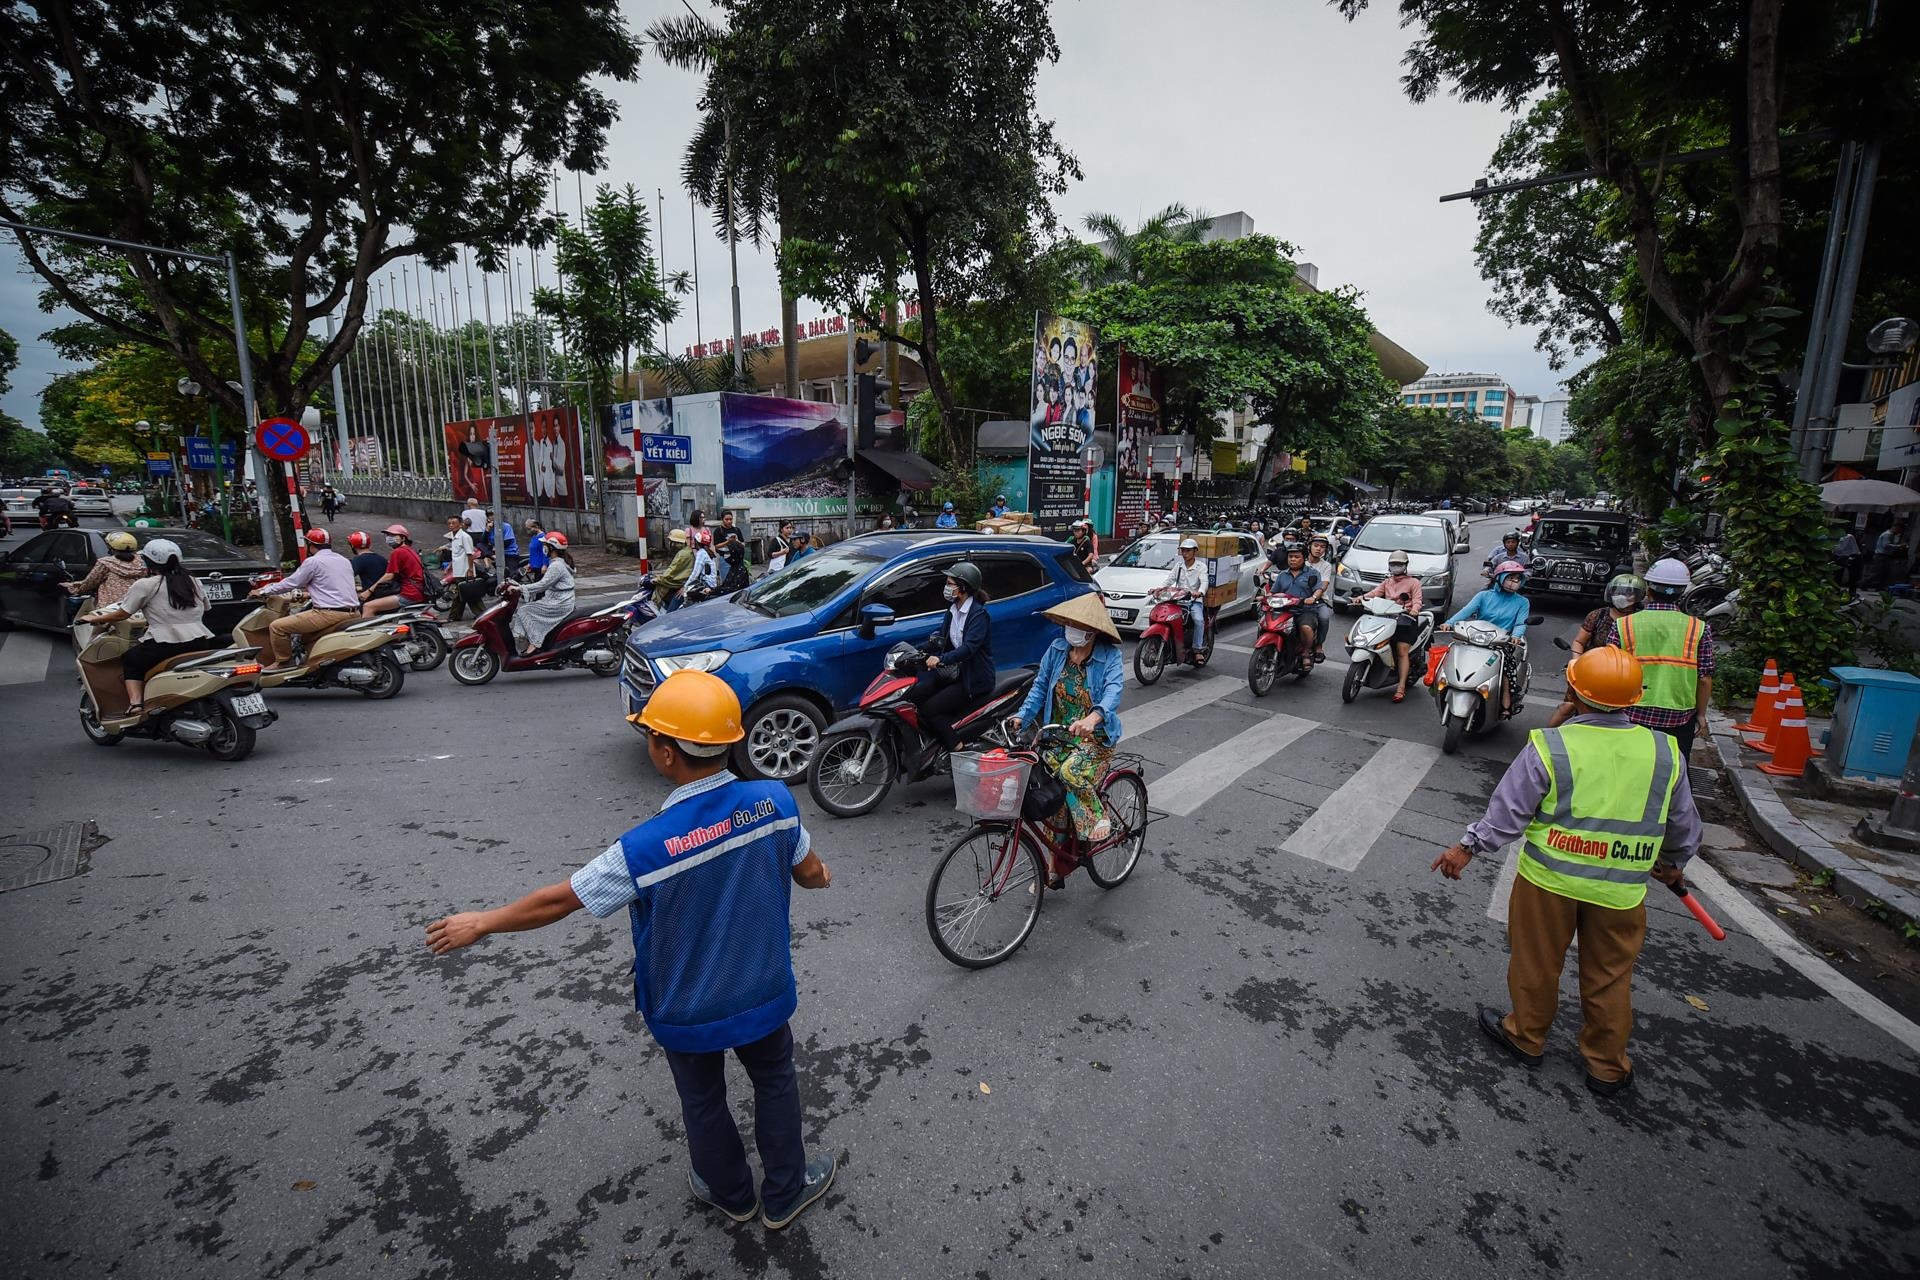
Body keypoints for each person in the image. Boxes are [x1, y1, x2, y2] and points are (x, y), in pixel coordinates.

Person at [425, 669, 838, 1231]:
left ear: (667, 752)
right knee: (775, 1080)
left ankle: (733, 1195)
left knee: (703, 1100)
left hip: (685, 1006)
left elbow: (558, 901)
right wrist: (819, 877)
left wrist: (484, 922)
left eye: (650, 736)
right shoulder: (775, 802)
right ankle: (786, 1194)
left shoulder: (643, 849)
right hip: (762, 987)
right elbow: (810, 872)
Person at [1431, 646, 1701, 1099]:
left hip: (1549, 882)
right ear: (1635, 699)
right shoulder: (1664, 751)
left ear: (1574, 690)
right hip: (1621, 891)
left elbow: (1508, 813)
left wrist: (1467, 847)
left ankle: (1526, 1035)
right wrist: (1673, 866)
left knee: (1536, 963)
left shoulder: (1552, 744)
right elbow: (1683, 826)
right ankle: (1607, 1067)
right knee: (1610, 976)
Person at [1011, 593, 1126, 881]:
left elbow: (1113, 692)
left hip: (1095, 740)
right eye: (1068, 623)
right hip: (1058, 736)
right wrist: (1021, 717)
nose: (1070, 628)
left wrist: (1093, 718)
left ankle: (1097, 816)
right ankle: (1053, 869)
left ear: (1092, 630)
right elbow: (1039, 688)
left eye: (1077, 624)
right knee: (1049, 797)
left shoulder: (1109, 657)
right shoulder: (1057, 649)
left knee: (1070, 771)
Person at [76, 538, 214, 717]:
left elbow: (122, 614)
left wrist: (96, 618)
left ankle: (135, 705)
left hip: (165, 643)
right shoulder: (193, 581)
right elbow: (206, 607)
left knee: (131, 660)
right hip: (200, 640)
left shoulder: (146, 584)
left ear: (148, 561)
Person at [1614, 558, 1714, 761]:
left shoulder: (1624, 625)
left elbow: (1610, 667)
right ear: (1682, 593)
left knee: (1627, 765)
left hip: (1631, 709)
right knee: (1674, 768)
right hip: (1679, 714)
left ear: (1648, 592)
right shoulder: (1699, 628)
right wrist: (1701, 715)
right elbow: (1704, 678)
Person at [904, 562, 993, 759]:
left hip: (972, 679)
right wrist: (916, 653)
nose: (947, 587)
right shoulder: (953, 610)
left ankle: (959, 751)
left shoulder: (978, 615)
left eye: (950, 583)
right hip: (951, 673)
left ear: (963, 587)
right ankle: (932, 740)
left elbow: (969, 648)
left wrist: (941, 659)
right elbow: (942, 639)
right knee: (912, 697)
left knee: (931, 710)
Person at [252, 528, 364, 669]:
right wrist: (308, 594)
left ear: (310, 545)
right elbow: (331, 586)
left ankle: (284, 662)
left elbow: (291, 583)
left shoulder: (313, 562)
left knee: (277, 627)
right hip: (354, 612)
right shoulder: (344, 560)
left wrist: (263, 590)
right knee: (305, 638)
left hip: (328, 614)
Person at [1547, 574, 1645, 729]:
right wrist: (1576, 661)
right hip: (1590, 671)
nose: (1622, 597)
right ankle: (1546, 737)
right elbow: (1579, 642)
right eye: (1618, 592)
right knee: (1567, 707)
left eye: (1628, 593)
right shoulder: (1598, 615)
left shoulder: (1639, 620)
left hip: (1621, 677)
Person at [1444, 560, 1532, 713]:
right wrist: (1450, 622)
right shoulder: (1483, 596)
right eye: (1510, 578)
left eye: (1517, 579)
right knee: (1452, 655)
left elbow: (1520, 623)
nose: (1514, 582)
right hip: (1475, 637)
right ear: (1500, 577)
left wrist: (1516, 636)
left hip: (1502, 641)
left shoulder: (1522, 602)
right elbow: (1467, 610)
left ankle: (1506, 701)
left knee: (1506, 667)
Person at [1352, 549, 1425, 702]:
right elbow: (1374, 594)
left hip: (1406, 620)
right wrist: (1360, 598)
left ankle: (1401, 687)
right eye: (1393, 564)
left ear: (1405, 565)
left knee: (1401, 650)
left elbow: (1417, 600)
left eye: (1399, 564)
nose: (1395, 567)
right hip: (1386, 618)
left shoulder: (1414, 582)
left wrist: (1414, 610)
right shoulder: (1387, 582)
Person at [511, 532, 576, 653]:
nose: (543, 548)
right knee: (527, 609)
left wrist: (520, 588)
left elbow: (542, 585)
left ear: (550, 548)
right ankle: (529, 640)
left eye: (544, 545)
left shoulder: (556, 566)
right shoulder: (560, 562)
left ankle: (535, 643)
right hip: (559, 600)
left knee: (524, 610)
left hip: (559, 603)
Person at [1266, 544, 1322, 675]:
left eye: (1297, 557)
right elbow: (1274, 591)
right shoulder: (1282, 575)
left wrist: (1313, 597)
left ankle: (1306, 652)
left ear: (1304, 558)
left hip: (1304, 610)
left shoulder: (1313, 574)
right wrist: (1265, 596)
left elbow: (1319, 589)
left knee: (1306, 628)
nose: (1292, 559)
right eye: (1290, 556)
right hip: (1284, 609)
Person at [65, 530, 147, 608]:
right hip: (137, 605)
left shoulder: (105, 563)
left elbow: (91, 582)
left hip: (110, 607)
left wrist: (75, 588)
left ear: (111, 548)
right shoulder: (141, 562)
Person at [360, 525, 428, 618]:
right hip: (418, 591)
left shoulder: (398, 552)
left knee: (368, 606)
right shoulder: (410, 550)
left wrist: (369, 591)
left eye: (393, 535)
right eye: (388, 535)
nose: (389, 538)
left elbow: (389, 576)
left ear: (403, 538)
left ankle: (371, 632)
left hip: (409, 594)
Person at [1164, 537, 1210, 659]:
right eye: (1183, 551)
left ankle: (1197, 649)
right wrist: (1158, 589)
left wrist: (1199, 592)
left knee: (1199, 620)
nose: (1185, 554)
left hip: (1194, 601)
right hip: (1178, 600)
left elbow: (1204, 582)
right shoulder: (1179, 566)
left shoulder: (1201, 567)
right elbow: (1169, 581)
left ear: (1195, 551)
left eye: (1188, 551)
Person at [1303, 534, 1336, 661]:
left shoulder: (1326, 565)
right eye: (1316, 546)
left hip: (1318, 600)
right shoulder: (1300, 560)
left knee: (1324, 617)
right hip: (1297, 598)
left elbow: (1324, 585)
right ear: (1309, 546)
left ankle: (1319, 646)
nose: (1318, 549)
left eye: (1322, 547)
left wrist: (1314, 596)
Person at [653, 529, 694, 609]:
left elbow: (672, 571)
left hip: (682, 585)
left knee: (670, 612)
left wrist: (658, 579)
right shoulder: (687, 551)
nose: (669, 544)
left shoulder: (682, 554)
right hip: (683, 583)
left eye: (671, 541)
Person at [678, 529, 720, 607]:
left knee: (678, 597)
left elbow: (695, 573)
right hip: (711, 584)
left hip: (706, 585)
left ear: (697, 542)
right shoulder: (709, 552)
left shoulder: (701, 553)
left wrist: (685, 587)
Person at [715, 512, 749, 592]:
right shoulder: (718, 531)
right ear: (722, 520)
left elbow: (743, 544)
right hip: (725, 558)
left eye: (730, 519)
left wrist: (736, 540)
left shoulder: (736, 530)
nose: (729, 521)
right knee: (727, 581)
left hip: (737, 559)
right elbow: (717, 546)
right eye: (726, 519)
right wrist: (728, 542)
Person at [1871, 520, 1910, 588]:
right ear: (1896, 528)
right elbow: (1886, 545)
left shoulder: (1891, 535)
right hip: (1881, 556)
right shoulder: (1888, 534)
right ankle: (1863, 584)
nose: (1899, 532)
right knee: (1876, 573)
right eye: (1900, 530)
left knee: (1885, 572)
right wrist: (1898, 546)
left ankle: (1881, 587)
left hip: (1885, 556)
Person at [1834, 526, 1863, 591]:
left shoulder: (1848, 537)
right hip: (1841, 557)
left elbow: (1839, 548)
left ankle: (1852, 592)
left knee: (1852, 576)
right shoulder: (1836, 537)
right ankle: (1836, 589)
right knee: (1838, 575)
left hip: (1852, 556)